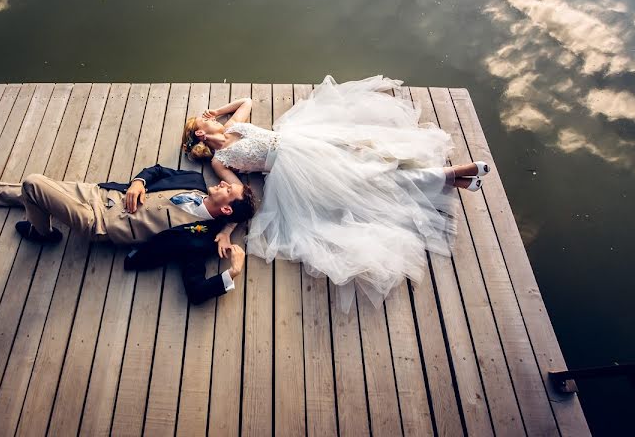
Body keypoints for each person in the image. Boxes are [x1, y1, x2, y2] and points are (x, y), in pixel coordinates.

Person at [181, 75, 491, 310]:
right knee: (368, 176)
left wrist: (218, 109)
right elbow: (239, 195)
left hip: (305, 142)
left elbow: (246, 101)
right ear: (200, 133)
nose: (214, 118)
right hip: (294, 169)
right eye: (207, 119)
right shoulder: (220, 161)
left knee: (372, 161)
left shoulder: (235, 126)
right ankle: (454, 175)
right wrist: (229, 228)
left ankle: (457, 180)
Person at [0, 159, 256, 305]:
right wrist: (139, 182)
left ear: (227, 210)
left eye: (228, 189)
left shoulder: (199, 239)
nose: (221, 183)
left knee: (33, 183)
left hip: (99, 223)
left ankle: (42, 233)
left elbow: (195, 291)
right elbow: (156, 171)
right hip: (100, 193)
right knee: (42, 192)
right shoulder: (193, 180)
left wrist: (232, 274)